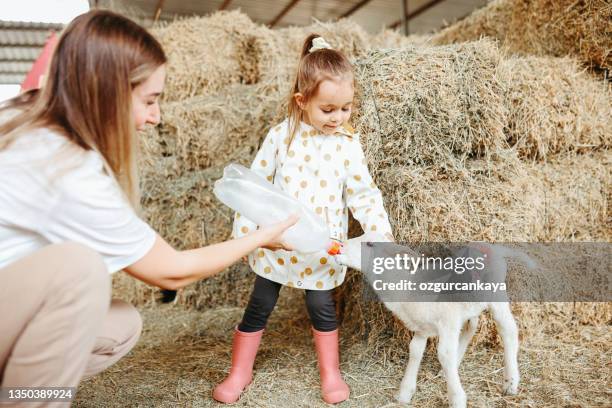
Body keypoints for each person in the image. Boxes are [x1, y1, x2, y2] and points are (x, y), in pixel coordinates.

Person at [0, 10, 296, 404]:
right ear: (106, 92)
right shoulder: (66, 167)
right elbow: (170, 272)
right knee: (79, 273)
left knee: (119, 324)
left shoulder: (26, 115)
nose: (156, 117)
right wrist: (262, 237)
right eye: (150, 100)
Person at [213, 34, 394, 404]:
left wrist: (378, 229)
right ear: (302, 101)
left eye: (346, 108)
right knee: (260, 303)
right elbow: (255, 186)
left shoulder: (347, 144)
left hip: (320, 246)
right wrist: (253, 234)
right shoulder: (282, 136)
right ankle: (239, 372)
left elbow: (362, 191)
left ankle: (331, 374)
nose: (338, 118)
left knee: (320, 306)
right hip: (278, 241)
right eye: (328, 109)